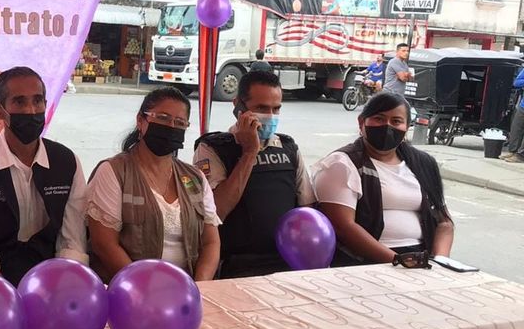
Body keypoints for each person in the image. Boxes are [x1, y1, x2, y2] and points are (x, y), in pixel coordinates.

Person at [0, 67, 88, 286]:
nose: (31, 110)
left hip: (52, 281)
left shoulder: (66, 161)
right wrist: (3, 293)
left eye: (37, 101)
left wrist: (61, 287)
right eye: (19, 102)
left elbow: (72, 242)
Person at [87, 87, 221, 282]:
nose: (171, 127)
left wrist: (199, 286)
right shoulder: (114, 171)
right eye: (163, 118)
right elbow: (104, 245)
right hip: (131, 288)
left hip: (186, 289)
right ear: (141, 121)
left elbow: (211, 242)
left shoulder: (194, 178)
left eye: (179, 122)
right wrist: (145, 287)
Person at [193, 70, 315, 278]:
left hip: (287, 262)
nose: (270, 116)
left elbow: (308, 209)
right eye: (261, 108)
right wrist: (250, 152)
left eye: (276, 109)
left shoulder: (288, 148)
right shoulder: (213, 148)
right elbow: (216, 211)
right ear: (238, 106)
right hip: (238, 266)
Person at [313, 91, 454, 265]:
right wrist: (399, 261)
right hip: (366, 263)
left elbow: (444, 222)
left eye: (396, 121)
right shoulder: (342, 164)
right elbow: (343, 227)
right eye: (379, 119)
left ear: (407, 127)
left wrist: (440, 261)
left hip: (421, 261)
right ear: (361, 122)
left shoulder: (423, 163)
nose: (387, 126)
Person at [501, 65, 524, 163]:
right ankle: (513, 152)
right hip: (523, 105)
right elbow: (516, 82)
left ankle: (521, 155)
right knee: (516, 128)